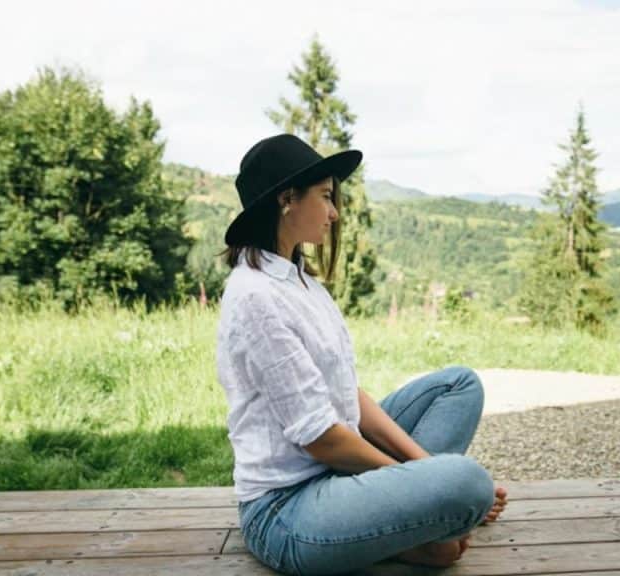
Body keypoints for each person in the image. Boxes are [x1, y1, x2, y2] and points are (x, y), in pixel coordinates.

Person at [216, 134, 508, 575]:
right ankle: (407, 534)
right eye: (326, 196)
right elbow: (322, 438)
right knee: (468, 483)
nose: (334, 213)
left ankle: (399, 523)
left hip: (339, 473)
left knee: (458, 385)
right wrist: (417, 484)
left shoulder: (299, 282)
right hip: (288, 510)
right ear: (287, 199)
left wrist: (423, 473)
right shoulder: (255, 297)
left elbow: (347, 395)